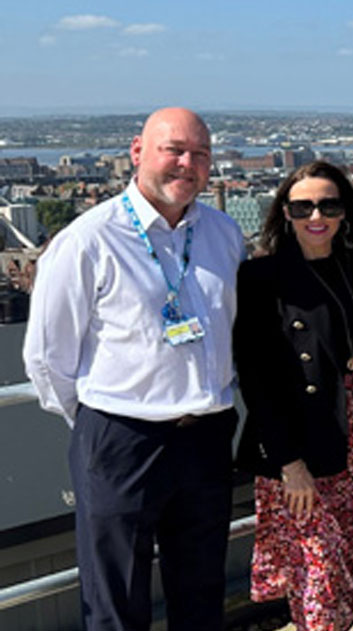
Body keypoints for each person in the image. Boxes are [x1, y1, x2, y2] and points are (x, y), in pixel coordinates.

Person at [22, 107, 242, 630]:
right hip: (121, 441)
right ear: (137, 153)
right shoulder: (87, 240)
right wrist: (103, 423)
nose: (187, 164)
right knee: (116, 600)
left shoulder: (224, 234)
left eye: (200, 154)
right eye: (174, 150)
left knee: (203, 593)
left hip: (207, 437)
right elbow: (46, 358)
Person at [234, 161, 353, 630]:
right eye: (303, 206)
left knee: (345, 574)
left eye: (328, 204)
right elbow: (256, 378)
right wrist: (289, 464)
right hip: (302, 446)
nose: (316, 215)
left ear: (344, 210)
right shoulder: (261, 278)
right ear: (285, 212)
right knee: (317, 577)